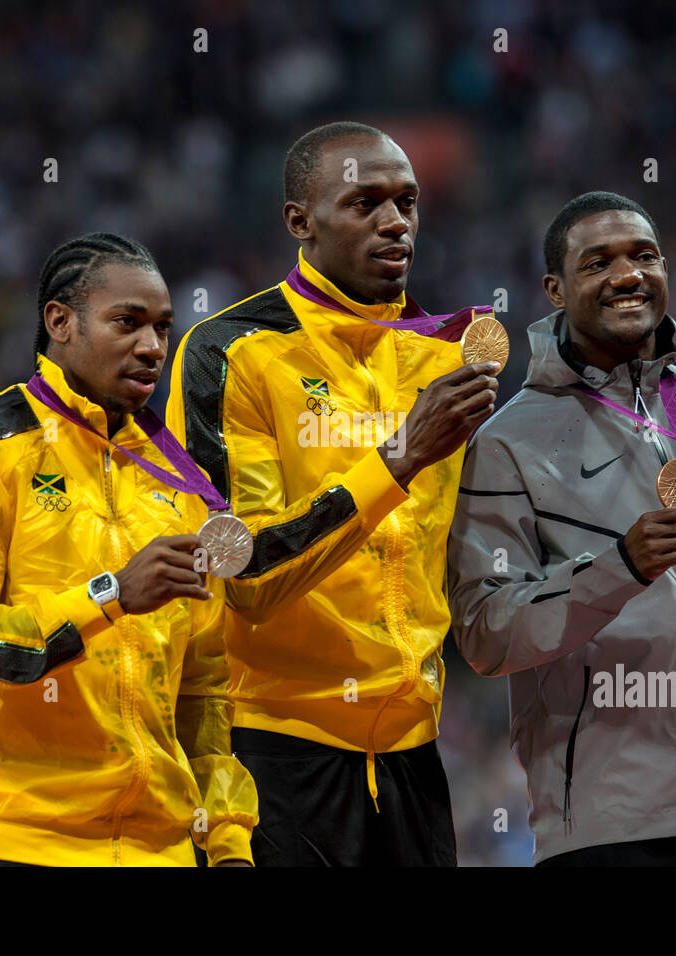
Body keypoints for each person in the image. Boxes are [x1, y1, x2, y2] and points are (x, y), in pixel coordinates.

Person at [447, 190, 676, 866]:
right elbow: (485, 632)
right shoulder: (507, 444)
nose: (627, 275)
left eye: (643, 256)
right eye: (598, 263)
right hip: (610, 831)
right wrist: (619, 569)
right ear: (554, 289)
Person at [165, 122, 500, 866]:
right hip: (279, 748)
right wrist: (401, 457)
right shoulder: (232, 351)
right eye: (365, 202)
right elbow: (242, 573)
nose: (395, 222)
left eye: (407, 203)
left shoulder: (446, 355)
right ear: (299, 221)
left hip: (415, 750)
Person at [0, 233, 258, 866]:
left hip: (161, 851)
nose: (152, 348)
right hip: (14, 842)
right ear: (60, 322)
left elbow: (203, 686)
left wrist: (228, 841)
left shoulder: (183, 481)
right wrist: (111, 597)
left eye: (163, 328)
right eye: (127, 323)